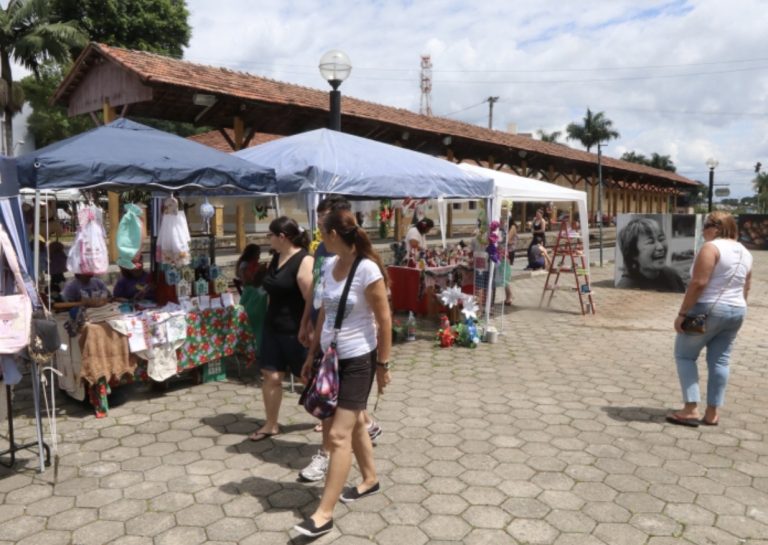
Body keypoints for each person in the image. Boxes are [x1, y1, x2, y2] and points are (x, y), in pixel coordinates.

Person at [293, 209, 392, 538]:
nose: (319, 237)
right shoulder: (329, 266)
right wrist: (312, 354)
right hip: (329, 359)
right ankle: (370, 479)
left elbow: (385, 319)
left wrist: (383, 366)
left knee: (336, 436)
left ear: (335, 234)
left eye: (322, 231)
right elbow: (325, 312)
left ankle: (324, 513)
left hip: (358, 362)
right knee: (356, 426)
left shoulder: (367, 269)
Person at [667, 212, 753, 427]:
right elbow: (746, 287)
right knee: (720, 360)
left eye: (705, 226)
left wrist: (682, 314)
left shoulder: (711, 248)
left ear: (714, 227)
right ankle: (712, 413)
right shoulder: (745, 252)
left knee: (685, 356)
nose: (703, 231)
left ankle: (690, 409)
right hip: (736, 310)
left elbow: (698, 283)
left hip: (707, 309)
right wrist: (735, 307)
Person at [248, 217, 313, 442]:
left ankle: (330, 419)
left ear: (282, 237)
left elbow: (311, 300)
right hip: (273, 328)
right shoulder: (276, 257)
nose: (268, 239)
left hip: (295, 330)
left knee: (308, 377)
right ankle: (271, 424)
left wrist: (308, 329)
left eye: (270, 235)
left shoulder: (304, 261)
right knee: (271, 375)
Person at [617, 216, 685, 292]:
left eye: (661, 239)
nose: (660, 247)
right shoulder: (626, 288)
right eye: (650, 242)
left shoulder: (672, 276)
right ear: (633, 254)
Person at [236, 244, 268, 353]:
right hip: (251, 293)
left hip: (252, 291)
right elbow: (249, 280)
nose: (259, 256)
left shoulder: (248, 263)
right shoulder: (245, 265)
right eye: (257, 253)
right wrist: (259, 272)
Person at [503, 216, 519, 305]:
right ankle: (508, 296)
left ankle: (509, 296)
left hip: (509, 252)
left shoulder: (512, 227)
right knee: (505, 274)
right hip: (507, 251)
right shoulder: (508, 227)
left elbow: (508, 240)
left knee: (505, 275)